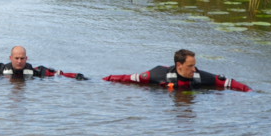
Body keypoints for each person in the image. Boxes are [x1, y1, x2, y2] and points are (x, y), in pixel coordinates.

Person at [103, 49, 251, 91]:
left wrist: (250, 92)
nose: (194, 69)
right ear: (179, 65)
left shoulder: (201, 76)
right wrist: (102, 80)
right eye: (190, 66)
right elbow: (127, 78)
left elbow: (229, 83)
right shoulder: (157, 74)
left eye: (195, 65)